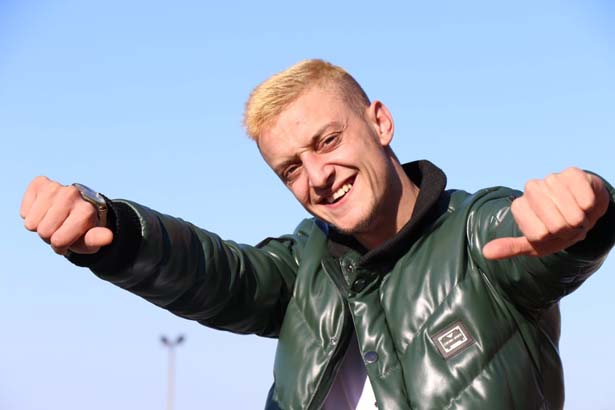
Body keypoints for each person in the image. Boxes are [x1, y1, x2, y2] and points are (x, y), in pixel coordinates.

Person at [21, 59, 615, 410]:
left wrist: (588, 206)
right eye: (290, 168)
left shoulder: (475, 233)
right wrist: (113, 226)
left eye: (328, 141)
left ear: (380, 122)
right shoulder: (302, 268)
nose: (318, 176)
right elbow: (212, 271)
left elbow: (543, 234)